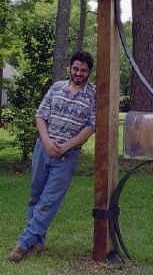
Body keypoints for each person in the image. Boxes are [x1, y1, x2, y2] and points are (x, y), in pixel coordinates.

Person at [9, 51, 96, 262]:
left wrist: (65, 147)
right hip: (43, 149)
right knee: (35, 196)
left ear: (89, 72)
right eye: (76, 68)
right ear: (70, 67)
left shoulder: (93, 95)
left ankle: (23, 243)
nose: (78, 73)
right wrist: (47, 143)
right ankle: (37, 242)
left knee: (49, 201)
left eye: (83, 70)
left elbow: (91, 127)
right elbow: (40, 115)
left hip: (67, 156)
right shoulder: (56, 87)